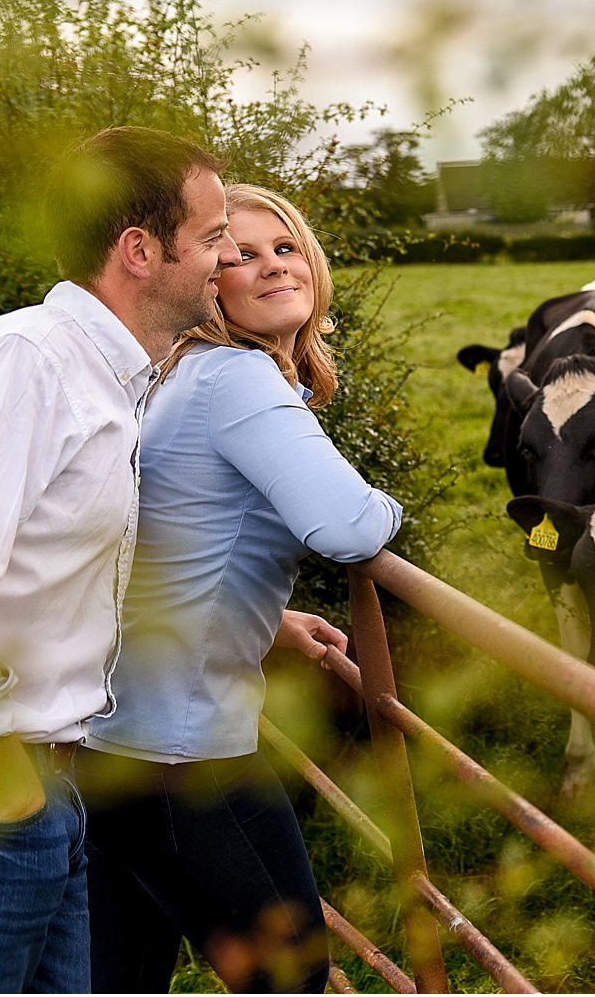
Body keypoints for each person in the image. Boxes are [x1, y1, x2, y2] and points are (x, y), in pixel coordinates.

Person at [73, 183, 403, 993]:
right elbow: (351, 527)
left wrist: (270, 616)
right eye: (238, 254)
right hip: (182, 752)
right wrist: (391, 503)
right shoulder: (237, 381)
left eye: (284, 247)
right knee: (292, 973)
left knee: (123, 973)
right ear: (207, 284)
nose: (270, 266)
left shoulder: (178, 377)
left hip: (114, 738)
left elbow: (176, 540)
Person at [0, 126, 239, 994]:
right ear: (139, 249)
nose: (230, 253)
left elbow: (65, 575)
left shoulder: (111, 378)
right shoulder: (28, 360)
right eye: (211, 235)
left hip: (54, 784)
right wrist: (6, 782)